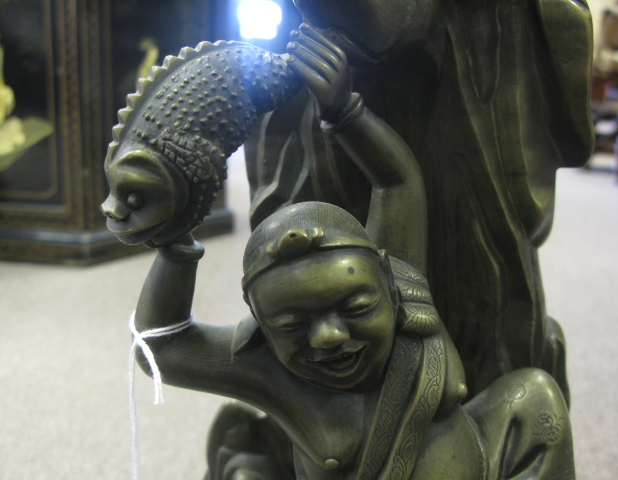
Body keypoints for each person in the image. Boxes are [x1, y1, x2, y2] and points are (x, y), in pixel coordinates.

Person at [133, 26, 574, 480]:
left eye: (358, 307)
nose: (329, 336)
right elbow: (160, 346)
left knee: (535, 395)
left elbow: (398, 182)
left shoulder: (402, 283)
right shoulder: (265, 369)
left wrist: (344, 112)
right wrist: (176, 246)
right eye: (292, 325)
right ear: (260, 326)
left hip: (483, 462)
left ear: (386, 280)